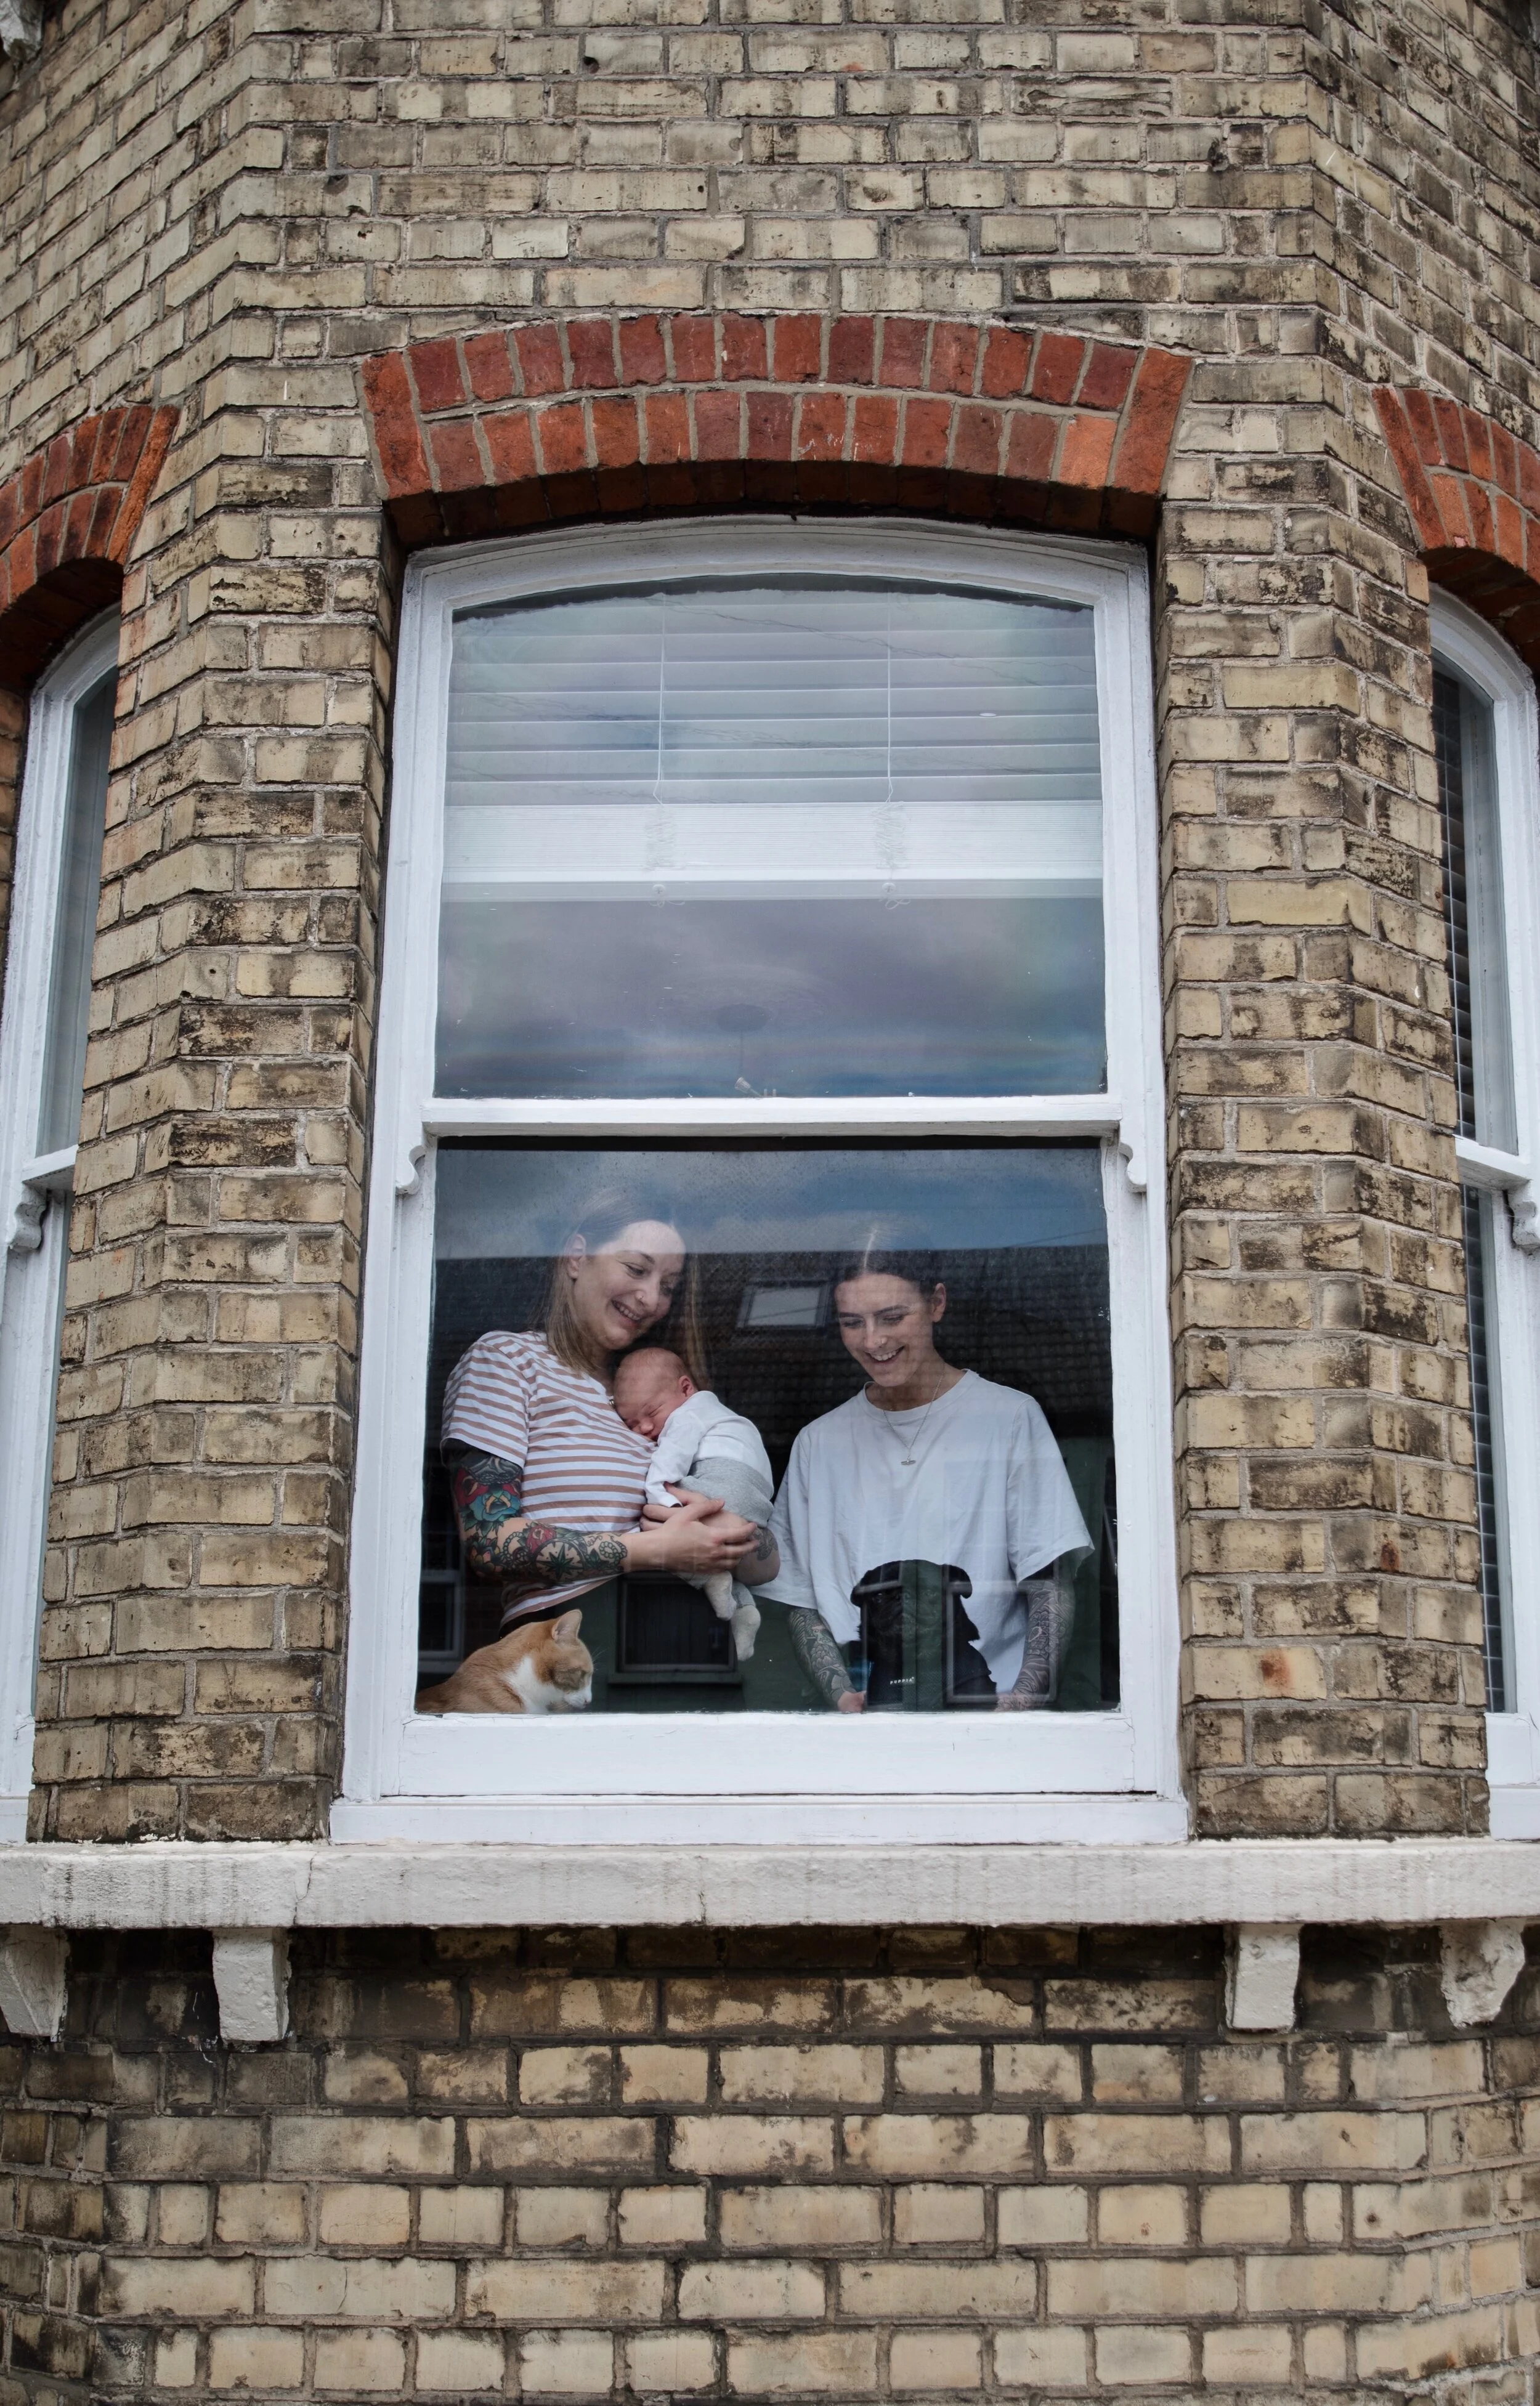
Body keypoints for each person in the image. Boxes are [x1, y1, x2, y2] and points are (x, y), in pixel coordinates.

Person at [439, 1191, 777, 1671]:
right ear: (577, 1257)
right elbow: (490, 1542)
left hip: (699, 1636)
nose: (652, 1298)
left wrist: (728, 1533)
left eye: (669, 1286)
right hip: (570, 1641)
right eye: (637, 1269)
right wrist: (654, 1550)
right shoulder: (507, 1361)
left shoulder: (661, 1400)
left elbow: (767, 1565)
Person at [763, 1237, 1090, 1712]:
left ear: (937, 1303)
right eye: (853, 1323)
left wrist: (1023, 1701)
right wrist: (840, 1697)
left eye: (893, 1317)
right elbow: (799, 1594)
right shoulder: (818, 1442)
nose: (873, 1340)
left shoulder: (1008, 1417)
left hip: (987, 1712)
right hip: (866, 1724)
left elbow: (1050, 1574)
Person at [612, 1346, 774, 1663]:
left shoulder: (690, 1412)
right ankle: (744, 1609)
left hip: (724, 1479)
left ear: (686, 1388)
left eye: (651, 1413)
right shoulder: (723, 1416)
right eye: (631, 1424)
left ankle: (708, 1578)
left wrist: (662, 1502)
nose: (644, 1429)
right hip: (754, 1499)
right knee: (716, 1555)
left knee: (660, 1535)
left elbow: (668, 1463)